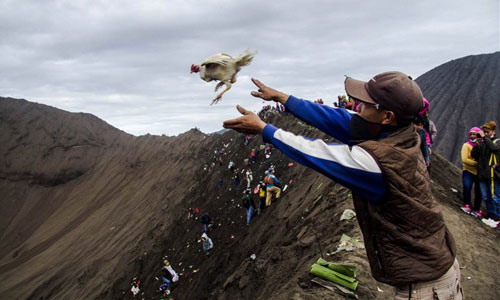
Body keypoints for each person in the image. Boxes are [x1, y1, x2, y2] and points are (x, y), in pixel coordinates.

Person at [223, 72, 460, 299]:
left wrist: (266, 130)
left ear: (387, 117)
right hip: (433, 265)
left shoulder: (378, 162)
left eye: (366, 104)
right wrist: (284, 99)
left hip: (425, 286)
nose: (357, 107)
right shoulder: (400, 132)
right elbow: (339, 119)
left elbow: (318, 153)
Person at [471, 121, 500, 223]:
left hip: (493, 174)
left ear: (493, 131)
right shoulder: (483, 142)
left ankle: (498, 216)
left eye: (487, 132)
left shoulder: (497, 141)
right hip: (482, 174)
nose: (485, 134)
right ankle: (490, 214)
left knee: (495, 197)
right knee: (486, 196)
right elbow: (474, 154)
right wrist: (477, 144)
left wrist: (485, 138)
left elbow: (494, 148)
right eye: (484, 132)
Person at [460, 127, 483, 217]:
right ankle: (467, 205)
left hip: (479, 173)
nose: (473, 136)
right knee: (467, 187)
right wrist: (477, 164)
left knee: (479, 191)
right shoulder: (466, 145)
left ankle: (477, 209)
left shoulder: (481, 146)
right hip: (468, 171)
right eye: (471, 134)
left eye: (475, 134)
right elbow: (465, 159)